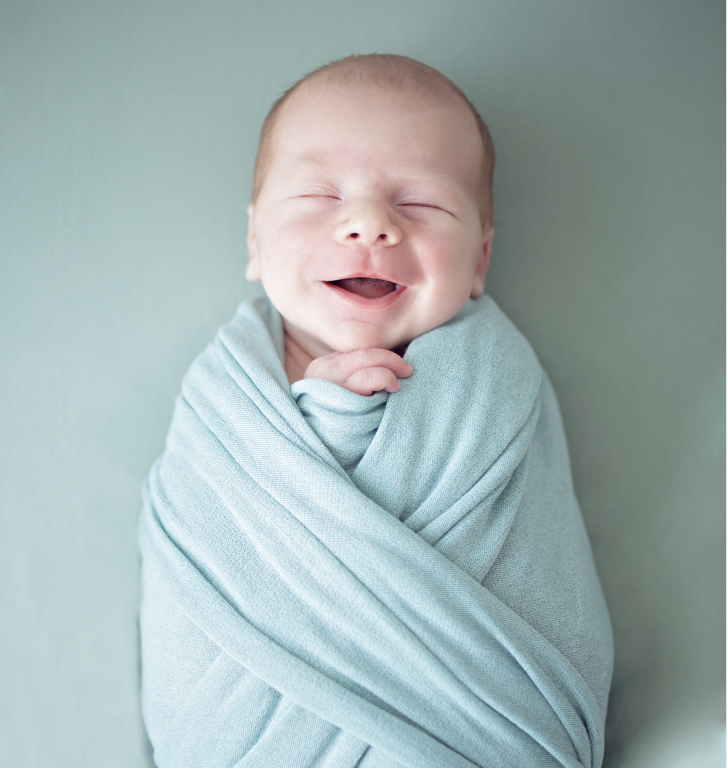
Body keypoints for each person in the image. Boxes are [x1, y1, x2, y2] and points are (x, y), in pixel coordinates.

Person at [140, 54, 613, 768]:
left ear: (479, 260)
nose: (369, 223)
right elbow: (200, 543)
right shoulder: (221, 402)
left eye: (421, 204)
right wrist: (323, 420)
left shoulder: (496, 381)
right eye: (320, 197)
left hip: (473, 727)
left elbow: (543, 560)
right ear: (254, 242)